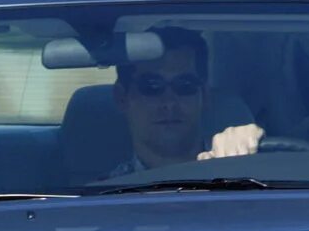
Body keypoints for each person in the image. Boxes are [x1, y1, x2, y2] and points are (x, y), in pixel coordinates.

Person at [108, 26, 264, 175]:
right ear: (121, 97)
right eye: (152, 86)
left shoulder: (244, 172)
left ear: (204, 95)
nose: (169, 103)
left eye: (185, 86)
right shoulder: (102, 197)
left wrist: (251, 154)